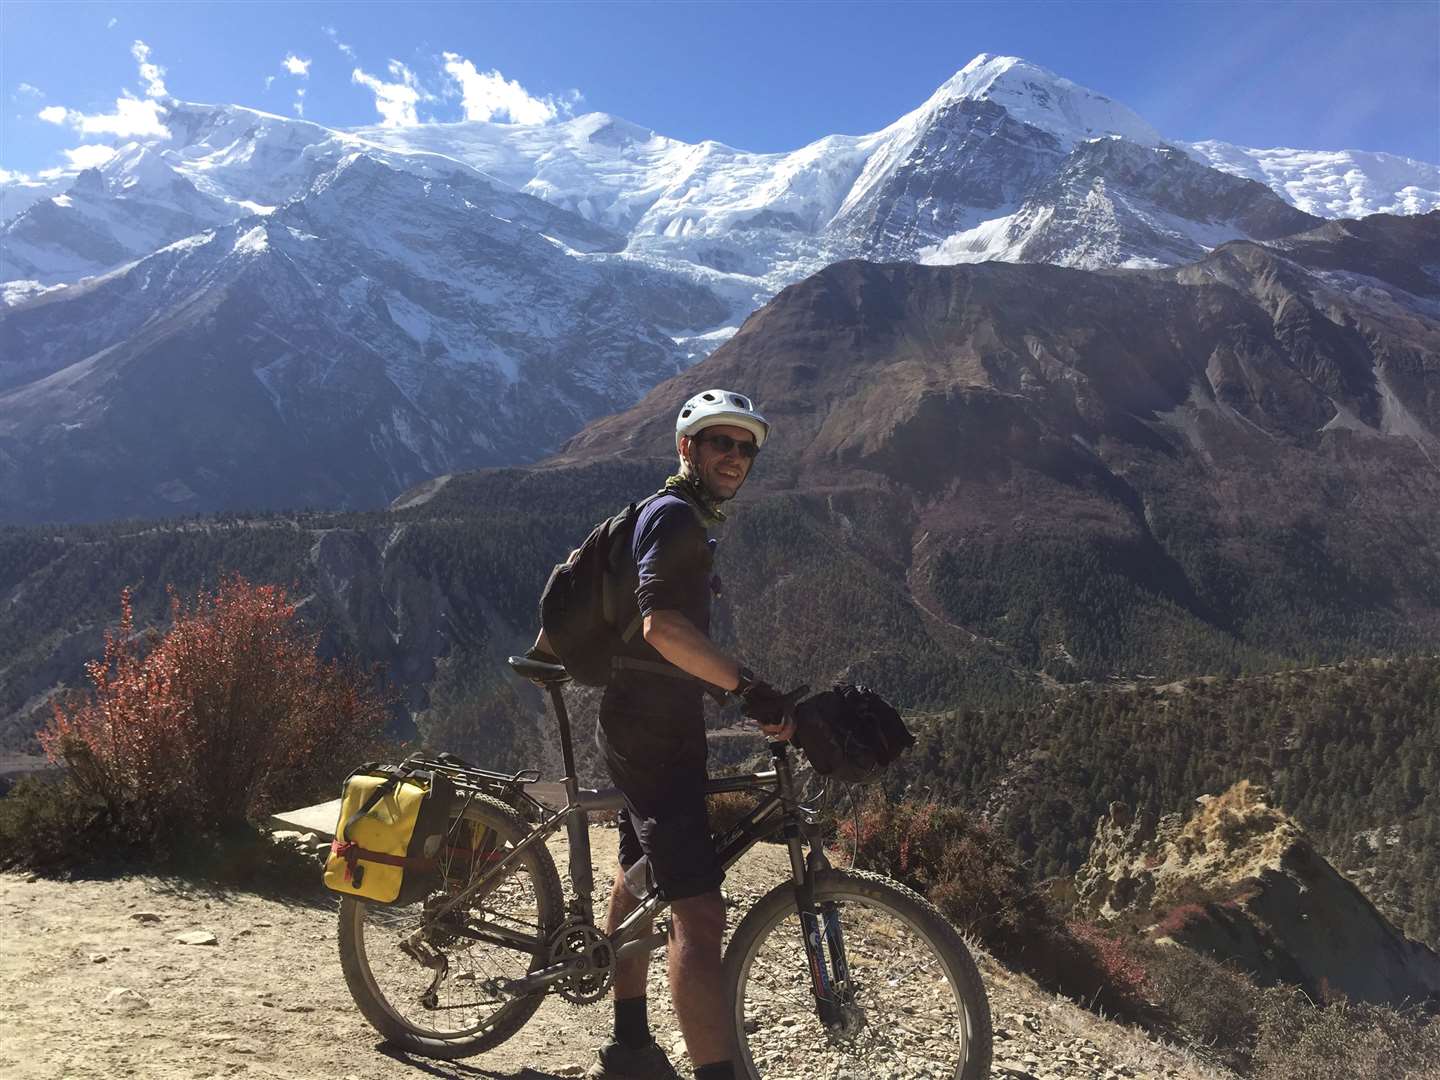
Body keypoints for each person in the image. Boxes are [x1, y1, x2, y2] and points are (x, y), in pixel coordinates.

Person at [531, 389, 795, 1080]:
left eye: (745, 448)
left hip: (660, 714)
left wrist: (726, 690)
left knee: (637, 870)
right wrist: (746, 687)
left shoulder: (684, 516)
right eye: (720, 443)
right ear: (688, 448)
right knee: (698, 915)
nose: (735, 457)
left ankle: (629, 1044)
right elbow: (660, 627)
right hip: (646, 721)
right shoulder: (676, 516)